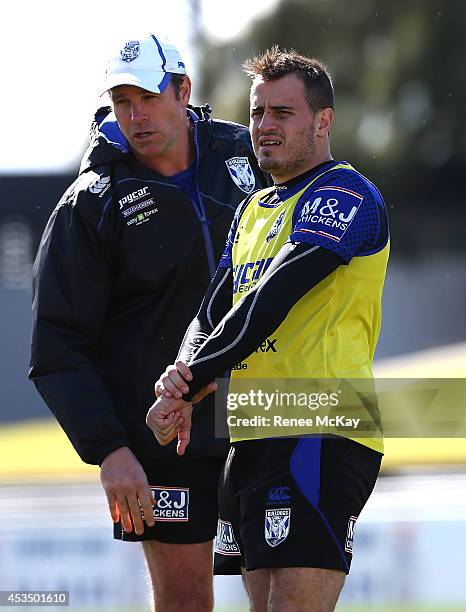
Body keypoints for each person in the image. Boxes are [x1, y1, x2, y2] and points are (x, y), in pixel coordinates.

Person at [29, 33, 269, 612]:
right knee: (185, 604)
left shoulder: (249, 156)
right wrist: (109, 451)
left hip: (263, 415)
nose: (135, 116)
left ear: (183, 91)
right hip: (162, 438)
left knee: (286, 599)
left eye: (147, 97)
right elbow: (57, 347)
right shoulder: (91, 202)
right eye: (121, 102)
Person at [147, 46, 390, 612]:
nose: (264, 126)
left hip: (321, 431)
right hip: (252, 435)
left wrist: (188, 384)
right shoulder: (251, 209)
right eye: (258, 113)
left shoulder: (346, 194)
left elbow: (270, 299)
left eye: (283, 113)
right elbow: (210, 312)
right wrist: (178, 379)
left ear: (323, 121)